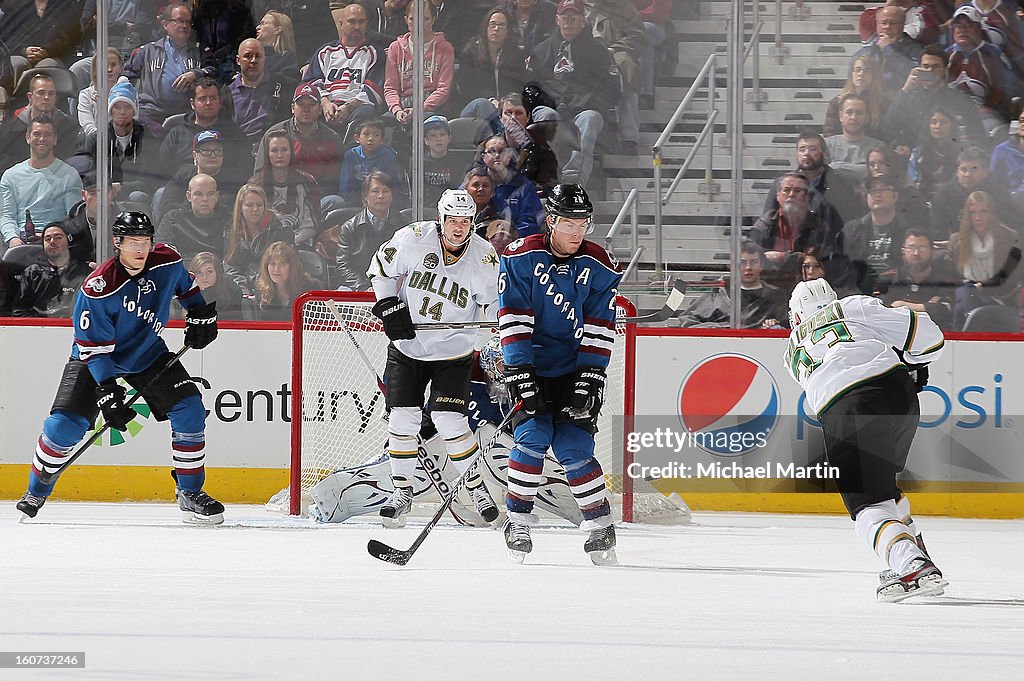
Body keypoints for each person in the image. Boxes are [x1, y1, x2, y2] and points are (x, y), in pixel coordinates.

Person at [16, 211, 224, 524]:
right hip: (96, 358)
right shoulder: (98, 288)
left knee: (191, 409)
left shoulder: (166, 261)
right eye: (132, 242)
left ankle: (190, 492)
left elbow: (187, 286)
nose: (140, 249)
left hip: (147, 352)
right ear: (117, 243)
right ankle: (36, 490)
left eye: (145, 241)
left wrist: (200, 314)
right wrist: (107, 390)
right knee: (65, 427)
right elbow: (95, 351)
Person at [783, 278, 946, 602]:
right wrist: (911, 359)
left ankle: (911, 563)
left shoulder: (790, 354)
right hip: (899, 396)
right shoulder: (854, 305)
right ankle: (912, 549)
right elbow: (931, 339)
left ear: (797, 316)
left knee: (868, 507)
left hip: (846, 408)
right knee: (884, 490)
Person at [497, 183, 622, 564]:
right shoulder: (520, 257)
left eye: (583, 223)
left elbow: (601, 325)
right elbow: (513, 315)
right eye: (569, 223)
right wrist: (518, 369)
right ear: (551, 221)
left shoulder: (600, 265)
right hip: (531, 366)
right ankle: (517, 521)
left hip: (574, 369)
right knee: (532, 439)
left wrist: (590, 375)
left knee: (574, 448)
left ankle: (600, 526)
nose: (576, 232)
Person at [365, 188, 501, 527]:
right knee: (402, 420)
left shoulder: (484, 257)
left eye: (466, 221)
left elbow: (496, 303)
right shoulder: (413, 238)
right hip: (408, 347)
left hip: (453, 352)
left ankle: (477, 488)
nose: (459, 227)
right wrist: (389, 304)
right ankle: (401, 493)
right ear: (441, 220)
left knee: (450, 421)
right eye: (452, 220)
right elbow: (380, 269)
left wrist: (505, 331)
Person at [526, 0, 619, 187]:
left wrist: (585, 103)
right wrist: (553, 102)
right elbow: (530, 87)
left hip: (585, 108)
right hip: (551, 107)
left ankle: (574, 179)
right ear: (557, 19)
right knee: (545, 115)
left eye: (573, 17)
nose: (568, 21)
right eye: (564, 17)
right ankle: (547, 174)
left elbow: (611, 88)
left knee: (590, 119)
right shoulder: (541, 50)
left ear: (582, 20)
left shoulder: (598, 51)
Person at [0, 116, 84, 250]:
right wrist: (13, 238)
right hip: (20, 241)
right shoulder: (10, 176)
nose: (42, 139)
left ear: (55, 139)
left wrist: (49, 235)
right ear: (28, 137)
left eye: (47, 135)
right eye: (37, 134)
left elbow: (74, 218)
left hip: (55, 240)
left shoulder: (69, 174)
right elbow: (6, 215)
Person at [948, 190, 1022, 329]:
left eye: (983, 211)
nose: (978, 217)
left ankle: (963, 342)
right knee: (966, 291)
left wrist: (984, 286)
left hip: (1000, 297)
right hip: (967, 294)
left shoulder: (1009, 238)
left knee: (960, 307)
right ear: (967, 215)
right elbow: (953, 277)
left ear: (991, 213)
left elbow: (1012, 278)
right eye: (973, 212)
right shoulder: (957, 241)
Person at [306, 3, 384, 132]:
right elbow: (311, 82)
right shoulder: (325, 52)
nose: (357, 26)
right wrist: (325, 103)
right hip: (325, 107)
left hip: (356, 108)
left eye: (361, 22)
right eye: (351, 22)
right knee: (306, 109)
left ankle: (350, 150)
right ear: (341, 24)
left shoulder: (375, 53)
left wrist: (348, 107)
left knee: (367, 112)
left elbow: (374, 89)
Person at [383, 0, 456, 126]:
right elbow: (390, 87)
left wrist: (420, 109)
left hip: (432, 106)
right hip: (403, 104)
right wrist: (397, 110)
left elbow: (443, 89)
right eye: (413, 19)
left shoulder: (445, 48)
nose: (418, 23)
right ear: (406, 20)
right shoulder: (395, 48)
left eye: (425, 19)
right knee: (384, 124)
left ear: (433, 20)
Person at [219, 39, 295, 146]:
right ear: (238, 60)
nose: (253, 61)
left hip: (276, 150)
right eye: (248, 56)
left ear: (264, 59)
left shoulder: (282, 84)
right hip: (240, 152)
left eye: (258, 56)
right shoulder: (226, 93)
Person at [879, 228, 958, 330]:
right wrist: (927, 307)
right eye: (911, 248)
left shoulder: (946, 280)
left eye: (922, 248)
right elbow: (879, 311)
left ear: (932, 252)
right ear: (903, 251)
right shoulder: (887, 278)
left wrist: (901, 304)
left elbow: (945, 311)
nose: (916, 253)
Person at [335, 170, 400, 291]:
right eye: (375, 191)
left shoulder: (403, 225)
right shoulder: (349, 227)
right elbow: (342, 266)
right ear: (365, 196)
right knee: (342, 293)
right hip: (358, 285)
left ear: (392, 196)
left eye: (385, 191)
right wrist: (363, 288)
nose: (381, 196)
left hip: (394, 284)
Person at [223, 183, 293, 294]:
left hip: (272, 287)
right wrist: (243, 290)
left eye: (259, 205)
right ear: (240, 207)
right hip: (241, 289)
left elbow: (287, 266)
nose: (255, 209)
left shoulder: (281, 229)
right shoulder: (230, 230)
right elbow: (230, 266)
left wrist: (260, 287)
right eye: (249, 205)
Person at [12, 222, 93, 318]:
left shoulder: (84, 272)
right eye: (47, 239)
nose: (52, 241)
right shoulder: (32, 273)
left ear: (69, 241)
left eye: (58, 237)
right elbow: (19, 312)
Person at [156, 173, 231, 263]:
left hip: (216, 271)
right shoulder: (173, 219)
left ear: (216, 196)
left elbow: (232, 257)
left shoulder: (227, 219)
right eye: (198, 194)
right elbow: (162, 253)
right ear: (189, 196)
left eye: (210, 194)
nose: (205, 199)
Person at [823, 55, 889, 139]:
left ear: (874, 75)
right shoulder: (837, 102)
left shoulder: (882, 103)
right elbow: (829, 133)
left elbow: (886, 133)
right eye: (857, 70)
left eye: (867, 71)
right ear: (852, 74)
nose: (861, 74)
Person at [253, 240, 314, 320]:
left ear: (292, 266)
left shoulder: (310, 290)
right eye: (272, 264)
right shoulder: (261, 291)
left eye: (282, 264)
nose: (276, 269)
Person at [77, 48, 125, 136]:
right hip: (95, 144)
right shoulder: (85, 95)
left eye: (113, 65)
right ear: (96, 69)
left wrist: (105, 105)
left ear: (121, 68)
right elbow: (89, 128)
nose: (109, 69)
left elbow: (125, 126)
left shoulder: (127, 94)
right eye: (105, 65)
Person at [188, 251, 245, 320]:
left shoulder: (232, 290)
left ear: (217, 273)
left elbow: (235, 321)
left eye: (209, 272)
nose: (204, 277)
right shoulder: (183, 291)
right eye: (199, 272)